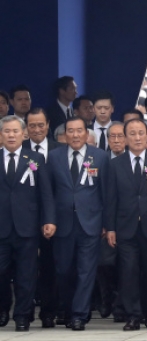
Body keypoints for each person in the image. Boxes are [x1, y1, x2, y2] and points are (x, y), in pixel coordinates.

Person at [104, 119, 147, 331]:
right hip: (125, 228)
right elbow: (110, 199)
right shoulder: (115, 164)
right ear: (125, 138)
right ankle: (133, 315)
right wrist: (111, 228)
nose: (136, 137)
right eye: (131, 134)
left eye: (140, 133)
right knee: (128, 272)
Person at [47, 116, 109, 330]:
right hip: (62, 224)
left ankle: (79, 315)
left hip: (90, 223)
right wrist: (49, 219)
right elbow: (49, 192)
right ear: (65, 135)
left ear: (85, 133)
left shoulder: (100, 157)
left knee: (86, 271)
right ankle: (66, 309)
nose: (75, 135)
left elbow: (106, 193)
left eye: (79, 130)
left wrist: (106, 223)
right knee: (64, 271)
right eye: (70, 131)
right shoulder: (54, 157)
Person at [0, 115, 56, 331]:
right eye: (7, 131)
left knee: (26, 274)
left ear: (23, 134)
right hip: (2, 227)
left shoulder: (34, 159)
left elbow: (46, 194)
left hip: (28, 227)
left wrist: (49, 220)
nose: (11, 135)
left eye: (15, 131)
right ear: (1, 134)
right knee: (2, 272)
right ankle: (4, 306)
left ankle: (23, 316)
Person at [21, 108, 62, 326]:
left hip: (54, 220)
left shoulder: (59, 150)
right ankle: (25, 312)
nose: (37, 129)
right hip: (24, 221)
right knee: (24, 269)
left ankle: (49, 312)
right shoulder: (20, 149)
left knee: (50, 268)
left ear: (48, 126)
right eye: (32, 125)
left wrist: (52, 218)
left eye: (40, 125)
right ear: (26, 128)